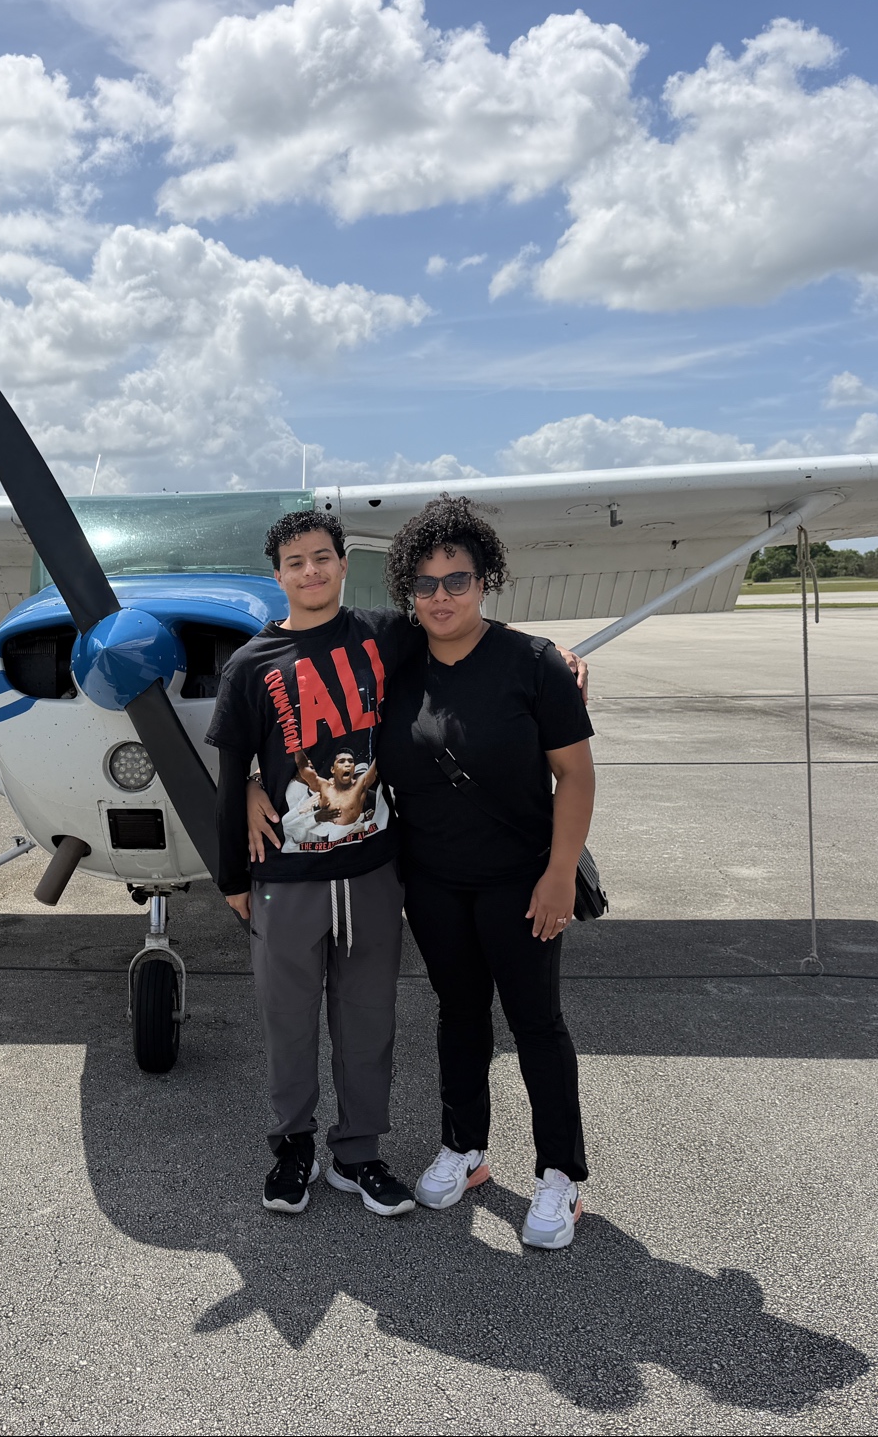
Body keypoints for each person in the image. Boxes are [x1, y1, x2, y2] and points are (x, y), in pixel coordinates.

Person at [244, 496, 597, 1250]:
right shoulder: (394, 667)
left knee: (535, 1023)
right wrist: (248, 778)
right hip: (432, 880)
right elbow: (300, 720)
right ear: (407, 589)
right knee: (459, 1015)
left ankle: (559, 1175)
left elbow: (575, 775)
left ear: (485, 581)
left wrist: (560, 871)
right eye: (427, 583)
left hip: (522, 878)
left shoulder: (533, 664)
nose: (442, 596)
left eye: (458, 580)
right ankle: (464, 1147)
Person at [207, 510, 422, 1218]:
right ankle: (291, 1145)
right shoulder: (249, 665)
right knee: (286, 1020)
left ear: (340, 564)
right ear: (278, 575)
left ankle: (357, 1153)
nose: (310, 571)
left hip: (371, 872)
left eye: (322, 557)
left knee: (368, 1019)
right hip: (285, 880)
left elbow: (466, 637)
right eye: (295, 561)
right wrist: (232, 878)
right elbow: (232, 768)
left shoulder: (385, 634)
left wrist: (551, 653)